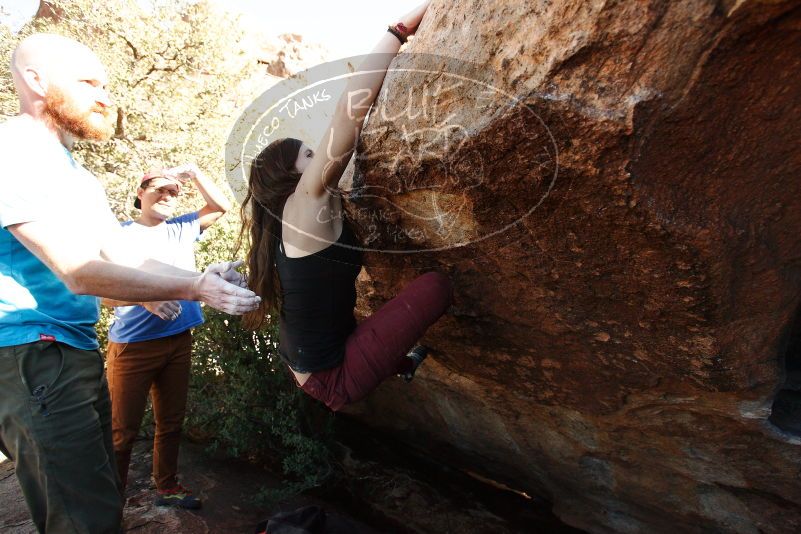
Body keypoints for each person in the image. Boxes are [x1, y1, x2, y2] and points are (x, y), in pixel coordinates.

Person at [0, 34, 259, 533]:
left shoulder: (76, 175)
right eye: (88, 82)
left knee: (99, 500)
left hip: (68, 351)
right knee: (82, 520)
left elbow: (128, 256)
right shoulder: (13, 151)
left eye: (106, 84)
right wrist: (194, 290)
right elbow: (77, 271)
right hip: (30, 351)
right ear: (35, 80)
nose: (104, 95)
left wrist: (200, 278)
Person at [239, 1, 453, 412]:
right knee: (435, 287)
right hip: (330, 377)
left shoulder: (295, 216)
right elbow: (346, 114)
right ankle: (390, 365)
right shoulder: (303, 204)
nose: (315, 154)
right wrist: (396, 31)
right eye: (306, 155)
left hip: (309, 357)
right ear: (288, 174)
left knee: (356, 326)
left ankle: (398, 364)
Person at [102, 165, 230, 509]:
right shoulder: (119, 236)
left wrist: (195, 172)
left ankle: (167, 487)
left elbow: (220, 207)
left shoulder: (181, 228)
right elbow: (102, 294)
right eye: (159, 188)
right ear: (139, 192)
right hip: (133, 347)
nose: (168, 196)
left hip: (178, 340)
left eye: (174, 192)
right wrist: (145, 298)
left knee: (171, 422)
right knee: (121, 431)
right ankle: (110, 502)